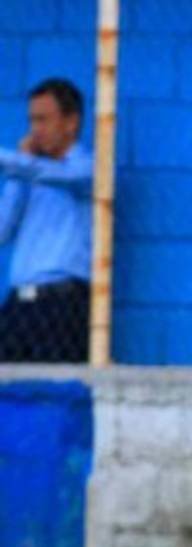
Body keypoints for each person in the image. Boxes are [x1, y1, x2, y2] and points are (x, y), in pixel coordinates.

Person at [0, 78, 93, 363]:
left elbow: (65, 177)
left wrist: (16, 162)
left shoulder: (86, 167)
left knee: (54, 389)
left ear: (71, 122)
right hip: (19, 301)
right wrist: (18, 172)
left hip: (60, 301)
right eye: (32, 120)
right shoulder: (28, 172)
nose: (35, 130)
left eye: (43, 120)